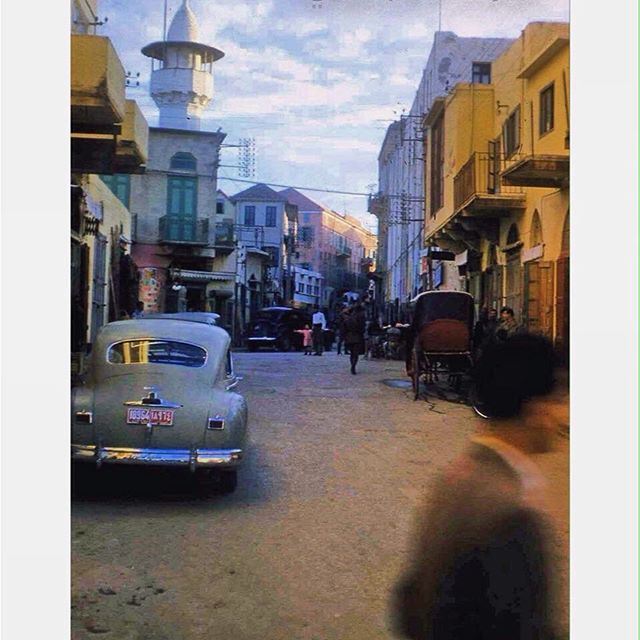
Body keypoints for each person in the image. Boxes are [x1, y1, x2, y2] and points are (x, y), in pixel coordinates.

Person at [393, 333, 564, 640]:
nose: (563, 415)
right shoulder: (513, 514)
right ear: (535, 409)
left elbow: (409, 601)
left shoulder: (453, 479)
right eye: (559, 400)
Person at [343, 302, 366, 374]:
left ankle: (352, 364)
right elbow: (362, 328)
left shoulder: (348, 318)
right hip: (357, 336)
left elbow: (344, 329)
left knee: (352, 353)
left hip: (349, 336)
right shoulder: (361, 316)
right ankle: (353, 365)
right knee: (356, 353)